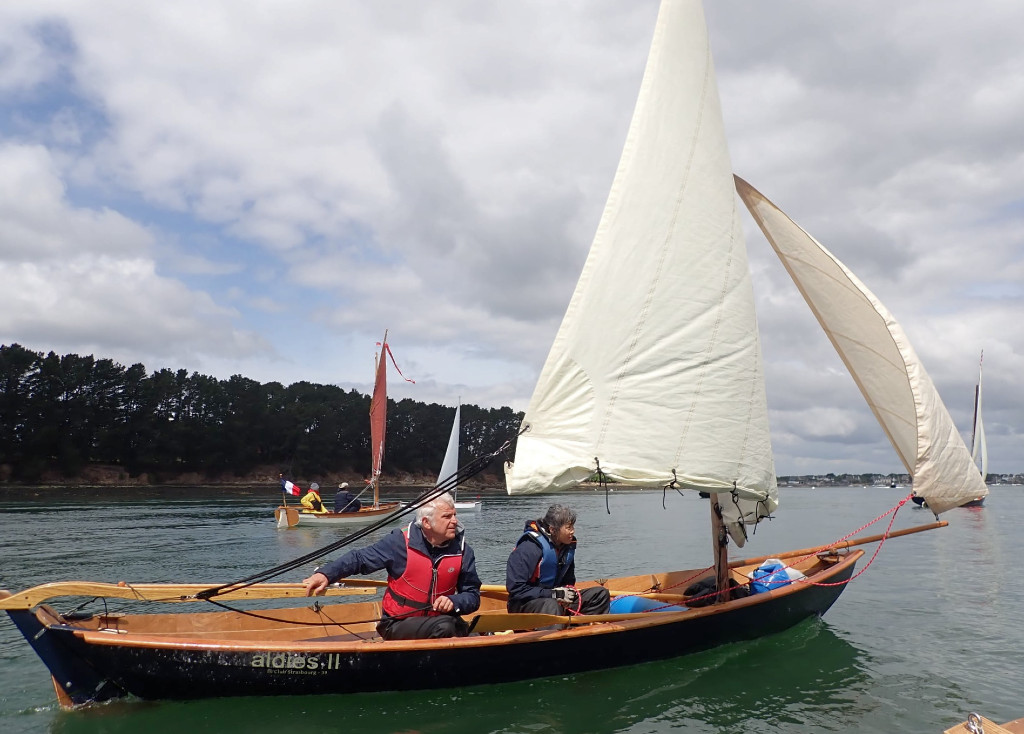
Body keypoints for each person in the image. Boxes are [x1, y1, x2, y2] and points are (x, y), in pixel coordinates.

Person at [304, 493, 481, 639]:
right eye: (447, 517)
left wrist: (455, 601)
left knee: (457, 626)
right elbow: (359, 559)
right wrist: (325, 574)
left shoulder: (463, 551)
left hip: (441, 622)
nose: (455, 521)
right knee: (448, 627)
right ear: (426, 523)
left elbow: (473, 596)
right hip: (398, 624)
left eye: (455, 515)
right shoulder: (399, 543)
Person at [505, 504, 610, 619]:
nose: (573, 532)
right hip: (524, 605)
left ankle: (582, 630)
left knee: (600, 594)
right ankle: (555, 633)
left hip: (556, 600)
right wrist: (554, 594)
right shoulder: (528, 548)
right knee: (552, 605)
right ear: (553, 529)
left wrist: (567, 593)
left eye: (573, 527)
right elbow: (516, 590)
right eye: (568, 528)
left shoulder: (566, 546)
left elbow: (568, 581)